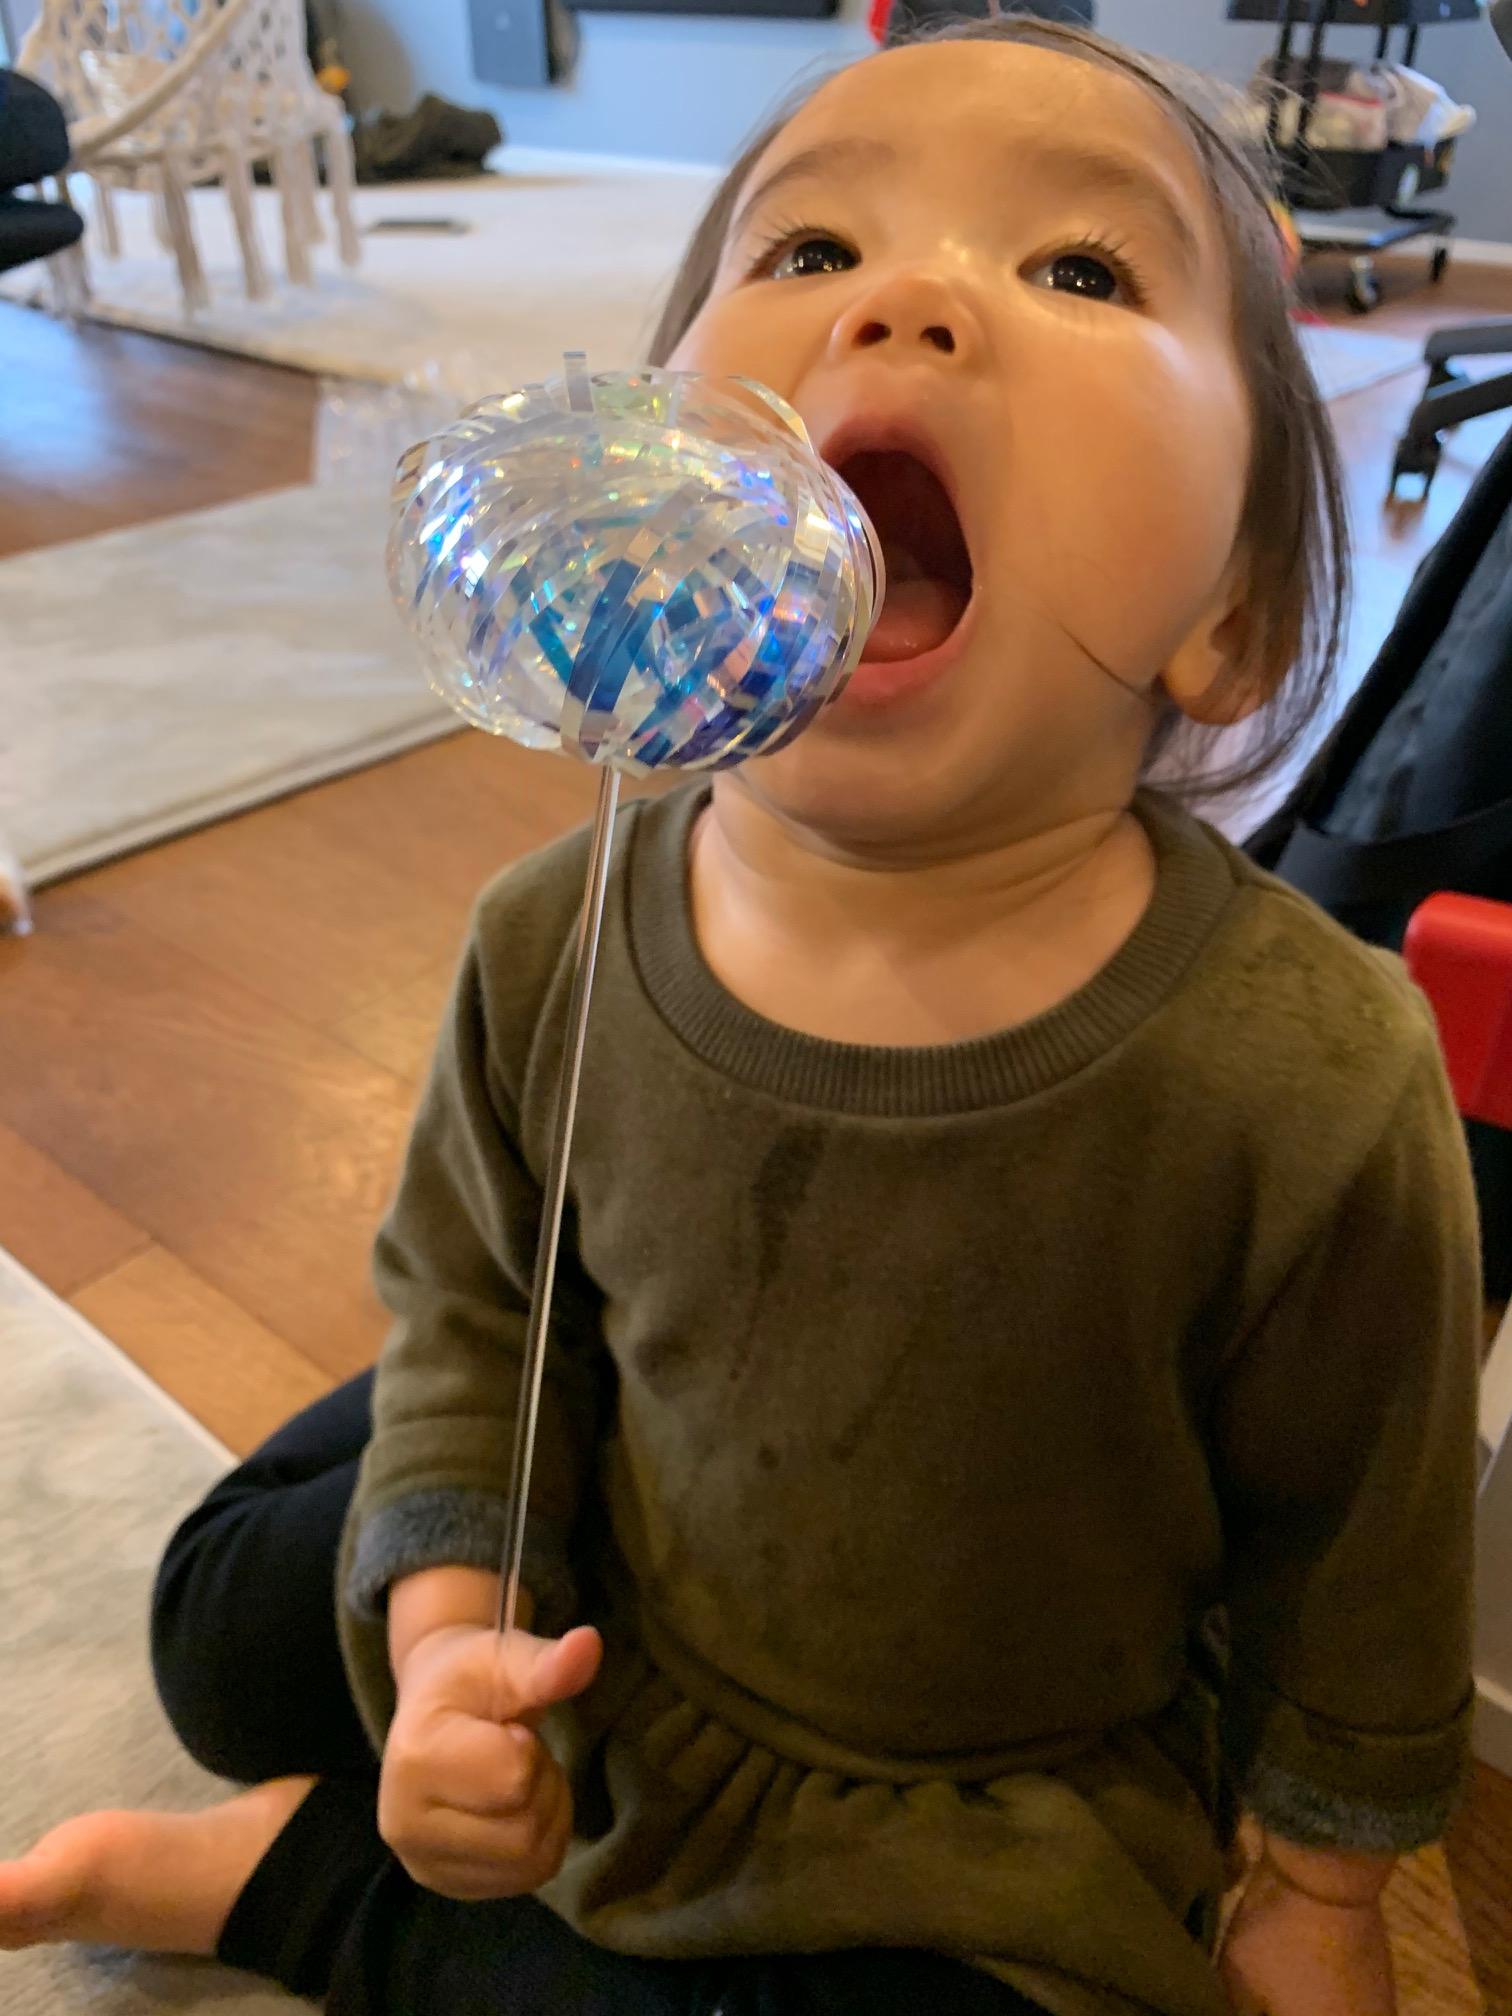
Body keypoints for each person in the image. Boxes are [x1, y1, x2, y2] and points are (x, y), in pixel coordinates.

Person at [0, 17, 1480, 2016]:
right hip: (612, 1591)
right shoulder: (552, 935)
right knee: (218, 1633)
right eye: (807, 250)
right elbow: (478, 1317)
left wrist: (1313, 1890)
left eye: (1077, 266)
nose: (904, 305)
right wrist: (450, 1646)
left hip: (988, 1783)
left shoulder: (1308, 1074)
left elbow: (1363, 1537)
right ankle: (499, 1545)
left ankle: (290, 1884)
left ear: (1235, 613)